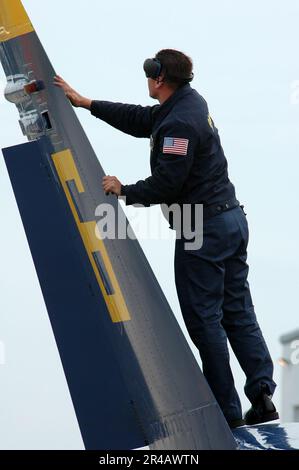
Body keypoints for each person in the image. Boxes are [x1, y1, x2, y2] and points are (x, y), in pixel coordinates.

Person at [54, 49, 278, 428]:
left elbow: (167, 183)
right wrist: (86, 103)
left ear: (158, 79)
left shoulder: (180, 126)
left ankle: (227, 415)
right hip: (230, 222)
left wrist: (123, 189)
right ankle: (263, 397)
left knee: (204, 321)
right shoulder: (188, 103)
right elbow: (143, 119)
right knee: (238, 313)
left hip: (201, 228)